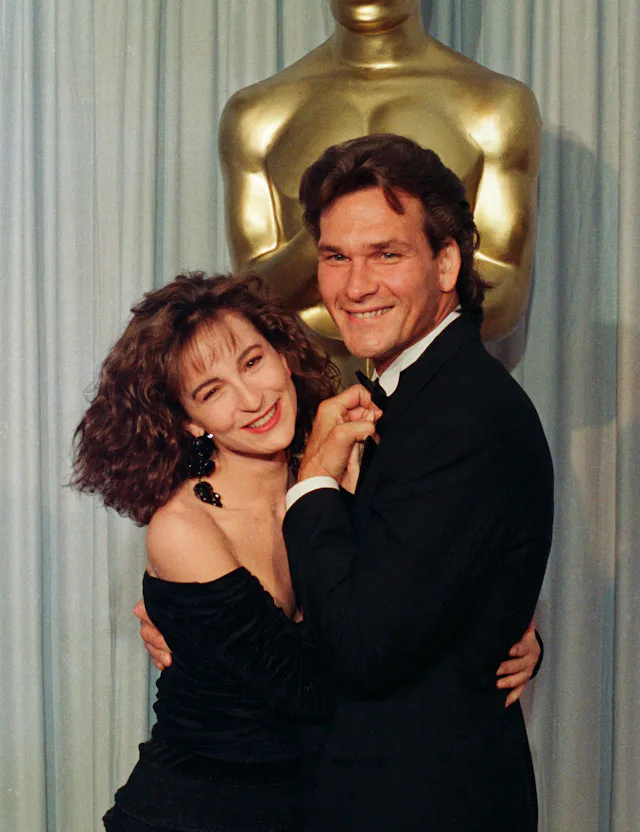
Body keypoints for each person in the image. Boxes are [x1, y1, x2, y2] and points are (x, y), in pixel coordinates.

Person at [279, 134, 554, 831]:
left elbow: (364, 645)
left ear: (447, 263)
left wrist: (314, 483)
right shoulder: (403, 399)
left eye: (386, 254)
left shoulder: (464, 417)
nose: (354, 286)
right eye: (336, 257)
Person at [72, 273, 347, 831]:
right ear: (189, 420)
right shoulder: (183, 527)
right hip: (192, 814)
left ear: (283, 356)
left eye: (252, 362)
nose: (252, 399)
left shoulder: (325, 475)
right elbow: (310, 689)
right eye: (212, 391)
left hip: (307, 808)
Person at [219, 0, 541, 378]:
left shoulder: (494, 106)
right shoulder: (257, 115)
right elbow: (250, 299)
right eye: (335, 255)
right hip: (305, 398)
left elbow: (504, 295)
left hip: (438, 395)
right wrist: (336, 236)